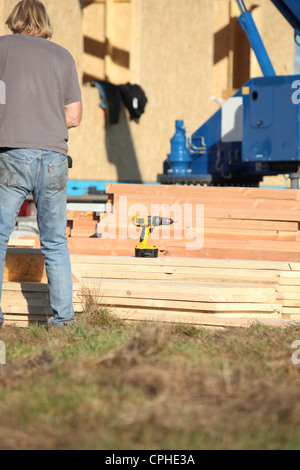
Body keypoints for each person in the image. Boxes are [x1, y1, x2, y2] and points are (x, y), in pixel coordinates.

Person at [0, 0, 82, 328]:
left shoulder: (2, 49)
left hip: (13, 153)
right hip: (54, 158)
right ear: (43, 21)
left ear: (16, 20)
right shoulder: (63, 56)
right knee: (54, 242)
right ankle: (64, 322)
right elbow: (74, 116)